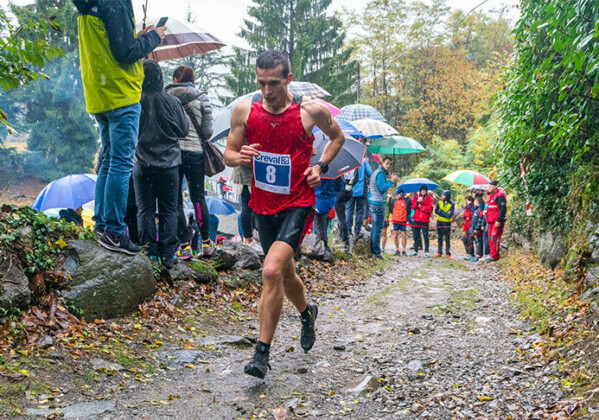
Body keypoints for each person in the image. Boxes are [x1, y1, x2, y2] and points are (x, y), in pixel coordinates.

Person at [224, 50, 345, 379]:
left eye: (274, 83)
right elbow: (228, 154)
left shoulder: (310, 111)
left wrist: (320, 166)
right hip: (263, 205)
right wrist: (240, 155)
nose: (267, 90)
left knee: (270, 270)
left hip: (298, 203)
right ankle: (307, 313)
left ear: (288, 79)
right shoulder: (245, 111)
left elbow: (337, 138)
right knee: (285, 275)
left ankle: (261, 354)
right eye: (261, 83)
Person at [73, 0, 166, 254]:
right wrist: (153, 38)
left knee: (109, 160)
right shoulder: (115, 2)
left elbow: (113, 42)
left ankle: (102, 225)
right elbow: (125, 52)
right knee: (121, 163)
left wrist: (138, 37)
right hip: (121, 92)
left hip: (99, 92)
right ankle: (113, 230)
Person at [133, 60, 189, 269]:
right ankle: (167, 254)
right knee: (169, 209)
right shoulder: (172, 102)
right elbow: (183, 130)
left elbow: (132, 132)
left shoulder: (136, 102)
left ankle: (149, 252)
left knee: (144, 209)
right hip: (169, 165)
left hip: (142, 164)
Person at [165, 66, 215, 258]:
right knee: (198, 198)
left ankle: (184, 245)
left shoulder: (167, 96)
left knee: (176, 199)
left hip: (174, 154)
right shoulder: (201, 97)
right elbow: (207, 132)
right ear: (192, 79)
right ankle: (206, 243)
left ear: (175, 79)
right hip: (195, 153)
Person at [369, 157, 399, 259]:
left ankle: (373, 250)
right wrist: (391, 181)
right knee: (378, 229)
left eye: (390, 164)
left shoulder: (375, 172)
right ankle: (377, 252)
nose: (389, 166)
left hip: (373, 202)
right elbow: (382, 188)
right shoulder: (380, 173)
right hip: (378, 203)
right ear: (382, 163)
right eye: (387, 163)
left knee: (374, 227)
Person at [346, 159, 372, 239]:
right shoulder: (363, 161)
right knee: (360, 210)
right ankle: (357, 231)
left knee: (349, 210)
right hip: (361, 190)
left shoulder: (348, 159)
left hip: (350, 189)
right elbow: (370, 173)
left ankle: (348, 230)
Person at [314, 178, 344, 246]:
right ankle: (324, 245)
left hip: (319, 203)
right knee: (325, 227)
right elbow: (341, 187)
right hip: (330, 203)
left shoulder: (316, 174)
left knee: (319, 229)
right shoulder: (335, 175)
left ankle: (322, 247)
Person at [410, 185, 434, 257]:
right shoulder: (416, 197)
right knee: (416, 235)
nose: (423, 191)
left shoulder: (430, 198)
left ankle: (427, 251)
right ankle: (415, 250)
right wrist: (417, 202)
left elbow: (430, 209)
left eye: (424, 190)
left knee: (425, 235)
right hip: (416, 219)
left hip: (425, 220)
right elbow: (413, 207)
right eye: (422, 190)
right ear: (420, 191)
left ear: (426, 191)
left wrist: (421, 206)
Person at [486, 180, 507, 261]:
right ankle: (492, 255)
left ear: (495, 187)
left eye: (490, 187)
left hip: (496, 221)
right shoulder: (492, 195)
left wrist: (499, 220)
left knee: (495, 238)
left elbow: (503, 209)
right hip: (490, 220)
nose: (488, 188)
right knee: (490, 238)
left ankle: (495, 256)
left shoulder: (500, 195)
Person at [334, 171, 355, 252]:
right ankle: (343, 234)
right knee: (343, 215)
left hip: (340, 193)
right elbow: (356, 179)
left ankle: (344, 239)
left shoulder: (339, 168)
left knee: (341, 218)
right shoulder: (352, 167)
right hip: (349, 191)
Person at [389, 188, 412, 256]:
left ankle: (404, 250)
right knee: (395, 235)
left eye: (398, 194)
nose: (396, 195)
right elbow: (391, 210)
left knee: (404, 235)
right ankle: (397, 249)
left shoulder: (407, 201)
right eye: (396, 194)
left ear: (401, 194)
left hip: (403, 221)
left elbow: (409, 210)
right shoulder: (393, 200)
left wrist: (407, 218)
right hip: (395, 220)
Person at [434, 190, 455, 258]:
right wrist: (445, 214)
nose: (442, 196)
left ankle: (448, 252)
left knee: (447, 237)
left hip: (447, 222)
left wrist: (441, 212)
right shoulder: (439, 201)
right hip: (439, 221)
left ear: (447, 196)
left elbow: (450, 215)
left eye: (443, 195)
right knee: (439, 237)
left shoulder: (452, 203)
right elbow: (436, 211)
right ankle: (439, 252)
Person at [469, 195, 486, 262]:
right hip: (474, 228)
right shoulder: (476, 209)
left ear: (478, 202)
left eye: (475, 201)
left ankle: (479, 254)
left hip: (477, 230)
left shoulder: (480, 209)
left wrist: (477, 228)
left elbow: (480, 219)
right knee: (476, 241)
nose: (474, 203)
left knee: (478, 242)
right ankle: (478, 253)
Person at [381, 188, 394, 253]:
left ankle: (383, 248)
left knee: (384, 233)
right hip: (377, 217)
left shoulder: (389, 197)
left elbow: (391, 209)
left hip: (385, 218)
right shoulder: (377, 195)